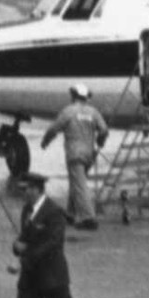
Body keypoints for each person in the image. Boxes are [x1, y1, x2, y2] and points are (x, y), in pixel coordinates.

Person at [39, 82, 108, 229]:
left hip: (74, 154)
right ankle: (71, 213)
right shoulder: (93, 112)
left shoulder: (69, 111)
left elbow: (54, 128)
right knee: (76, 181)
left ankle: (88, 218)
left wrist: (45, 141)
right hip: (89, 154)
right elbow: (104, 130)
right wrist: (99, 142)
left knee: (79, 184)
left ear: (73, 96)